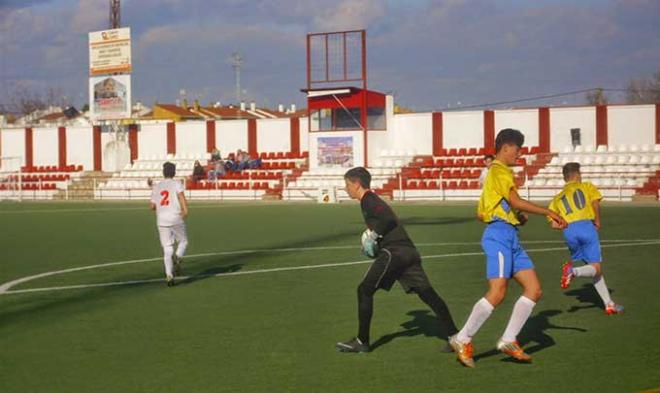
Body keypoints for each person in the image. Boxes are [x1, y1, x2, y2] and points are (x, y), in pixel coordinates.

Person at [449, 129, 567, 368]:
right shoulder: (499, 170)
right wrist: (548, 211)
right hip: (499, 237)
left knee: (533, 289)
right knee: (498, 291)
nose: (519, 153)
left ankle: (508, 340)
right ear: (505, 147)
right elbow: (513, 201)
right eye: (517, 148)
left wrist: (518, 217)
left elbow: (496, 208)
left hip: (510, 236)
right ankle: (462, 338)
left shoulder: (498, 174)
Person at [335, 167, 458, 353]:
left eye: (348, 184)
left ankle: (362, 341)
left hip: (395, 252)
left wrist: (373, 237)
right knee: (427, 294)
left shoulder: (368, 199)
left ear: (357, 183)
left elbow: (387, 218)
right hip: (408, 251)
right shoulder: (369, 200)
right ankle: (456, 337)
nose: (346, 188)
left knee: (364, 290)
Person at [548, 162, 624, 315]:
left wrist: (564, 225)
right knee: (596, 268)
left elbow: (553, 224)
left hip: (569, 231)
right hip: (586, 227)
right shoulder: (587, 186)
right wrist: (597, 220)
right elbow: (595, 202)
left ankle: (608, 304)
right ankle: (573, 271)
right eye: (580, 174)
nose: (581, 176)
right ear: (576, 175)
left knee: (594, 269)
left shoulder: (557, 197)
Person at [149, 162, 189, 287]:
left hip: (162, 220)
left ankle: (169, 275)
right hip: (175, 217)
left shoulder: (157, 186)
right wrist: (185, 210)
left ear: (163, 172)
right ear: (174, 172)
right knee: (183, 241)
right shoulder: (177, 184)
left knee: (167, 249)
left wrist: (160, 208)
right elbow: (181, 196)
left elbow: (152, 206)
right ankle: (177, 257)